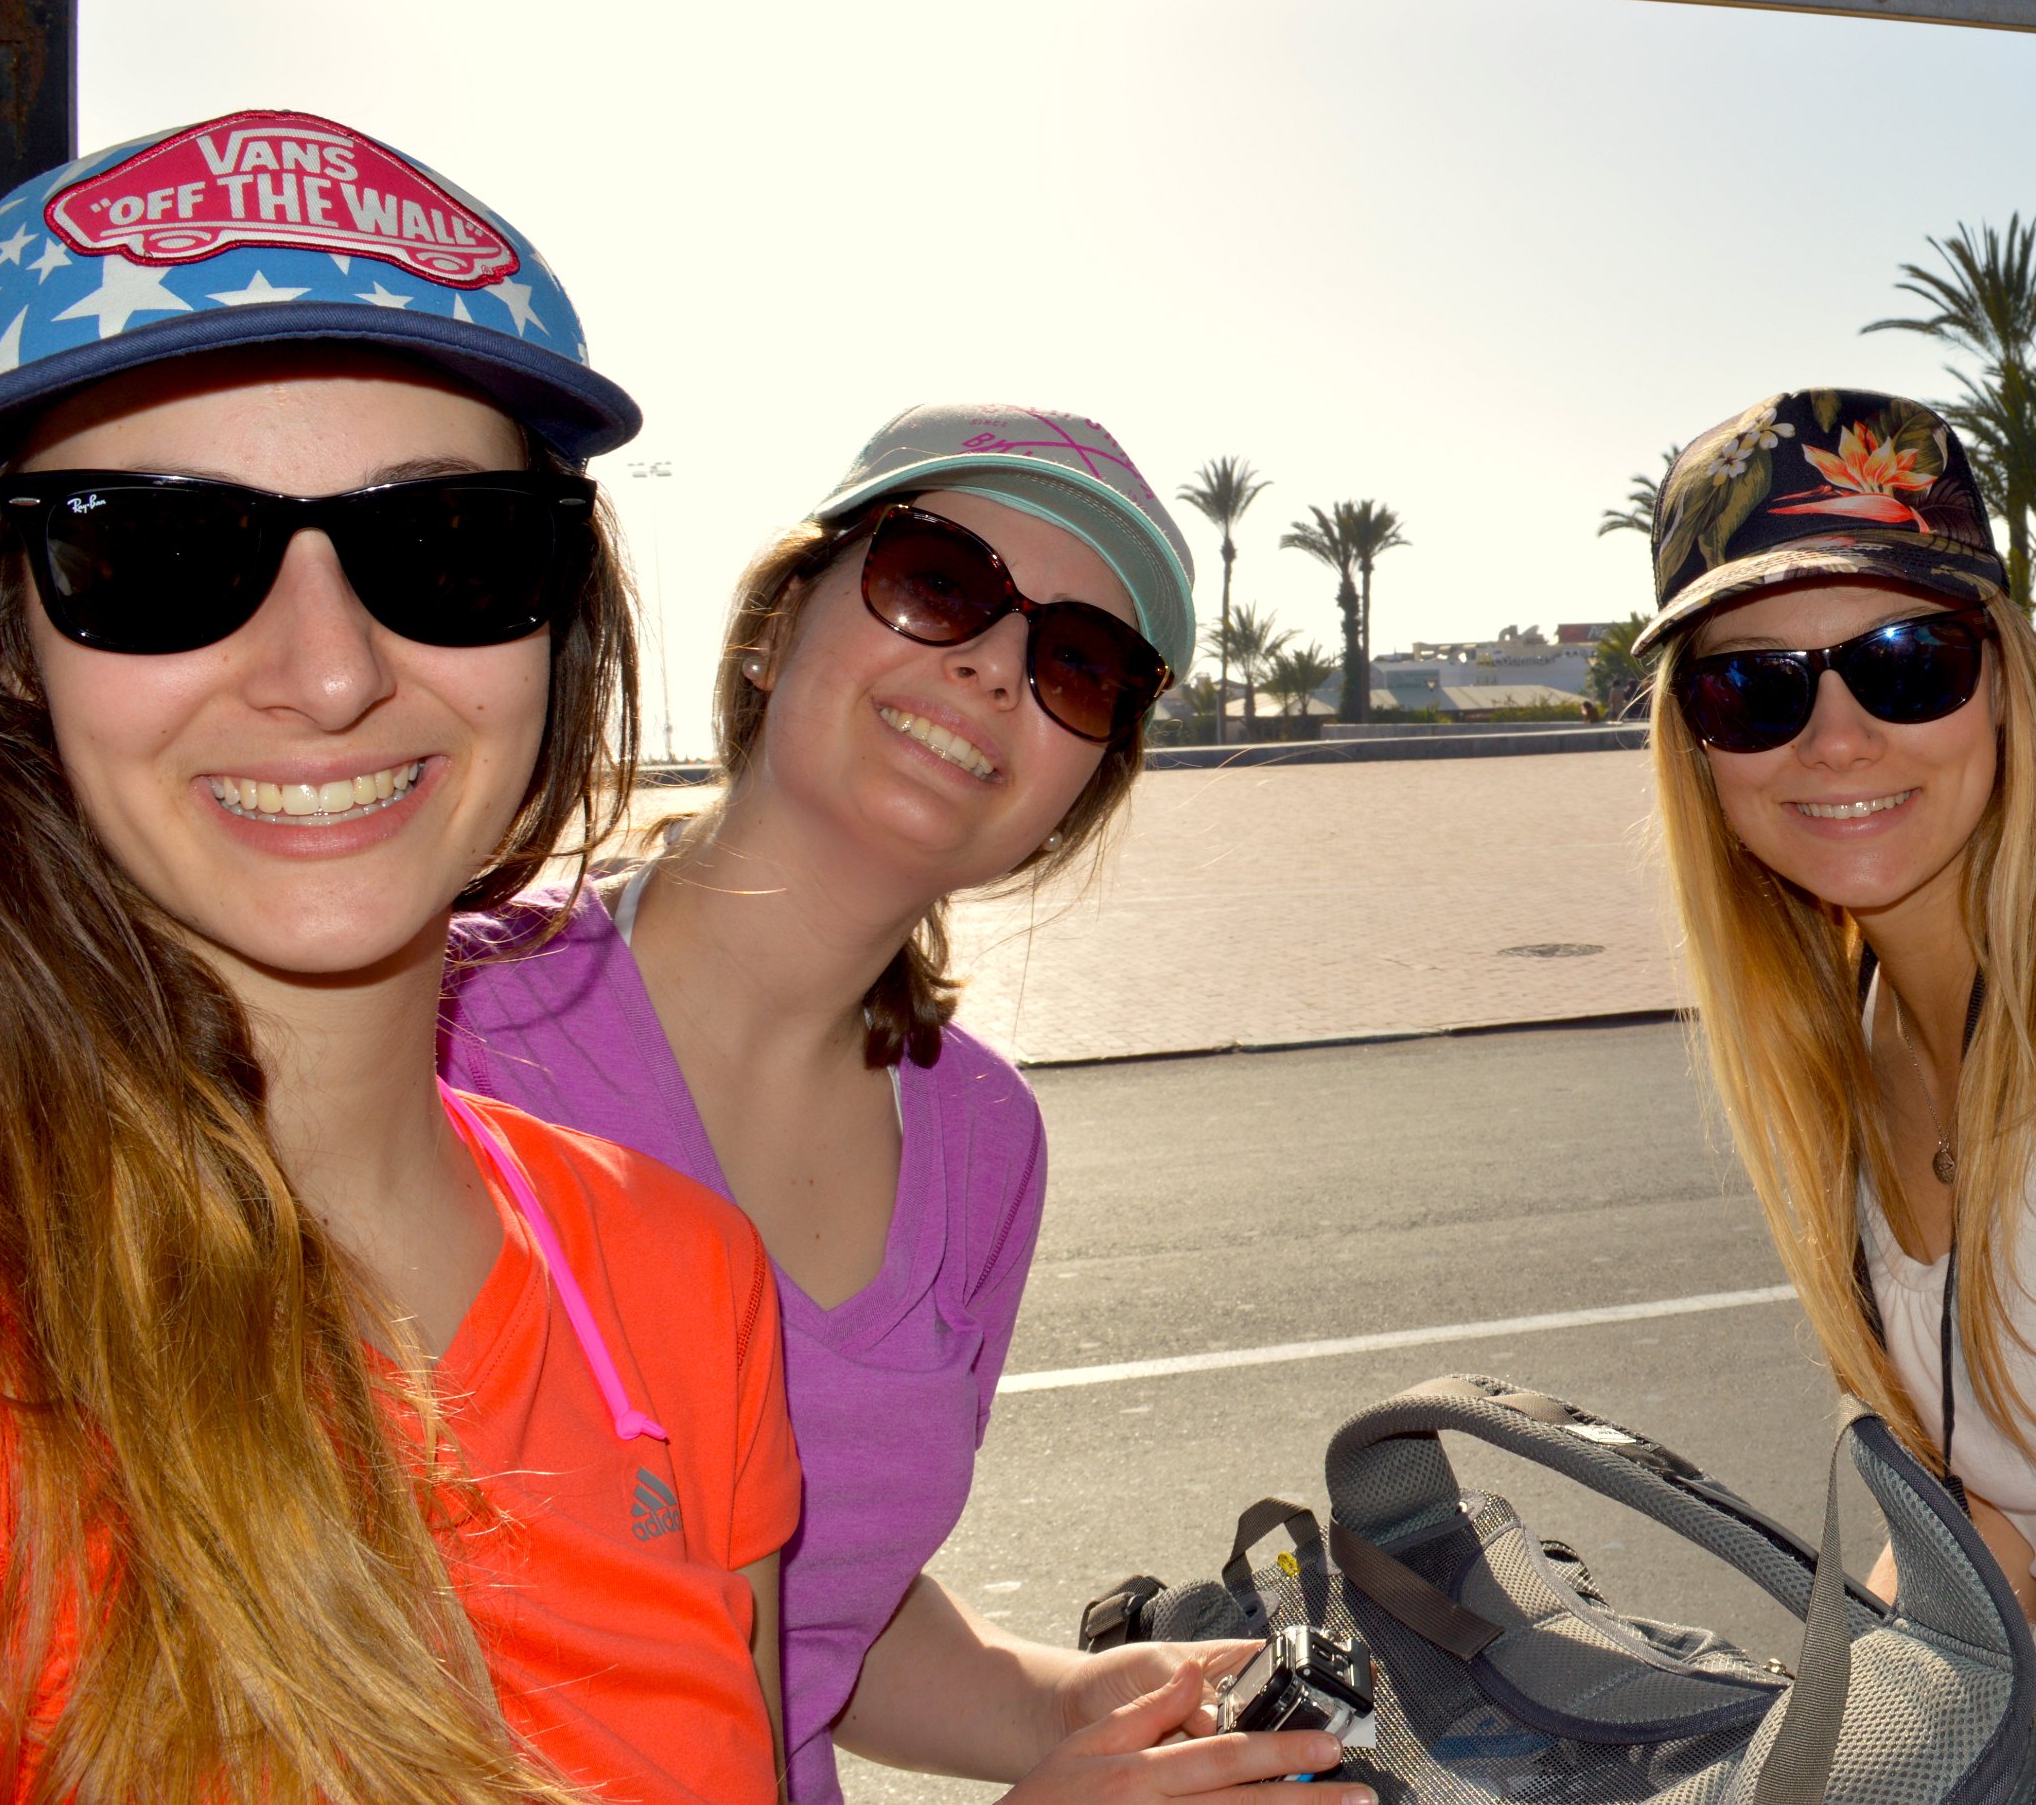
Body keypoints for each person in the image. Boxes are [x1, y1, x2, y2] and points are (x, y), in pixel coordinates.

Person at [0, 112, 800, 1801]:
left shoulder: (685, 1276)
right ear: (10, 637)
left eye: (450, 545)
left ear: (559, 621)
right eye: (153, 554)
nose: (331, 672)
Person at [446, 404, 1363, 1805]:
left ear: (1082, 783)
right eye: (937, 582)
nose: (995, 667)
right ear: (776, 625)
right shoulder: (438, 1024)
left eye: (1080, 663)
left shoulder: (983, 1137)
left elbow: (820, 1625)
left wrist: (1073, 1705)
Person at [1632, 388, 2036, 1733]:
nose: (1837, 740)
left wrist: (1880, 1761)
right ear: (1698, 750)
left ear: (2005, 686)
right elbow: (1991, 1516)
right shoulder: (1852, 1041)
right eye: (1754, 688)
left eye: (1908, 661)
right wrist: (1822, 1718)